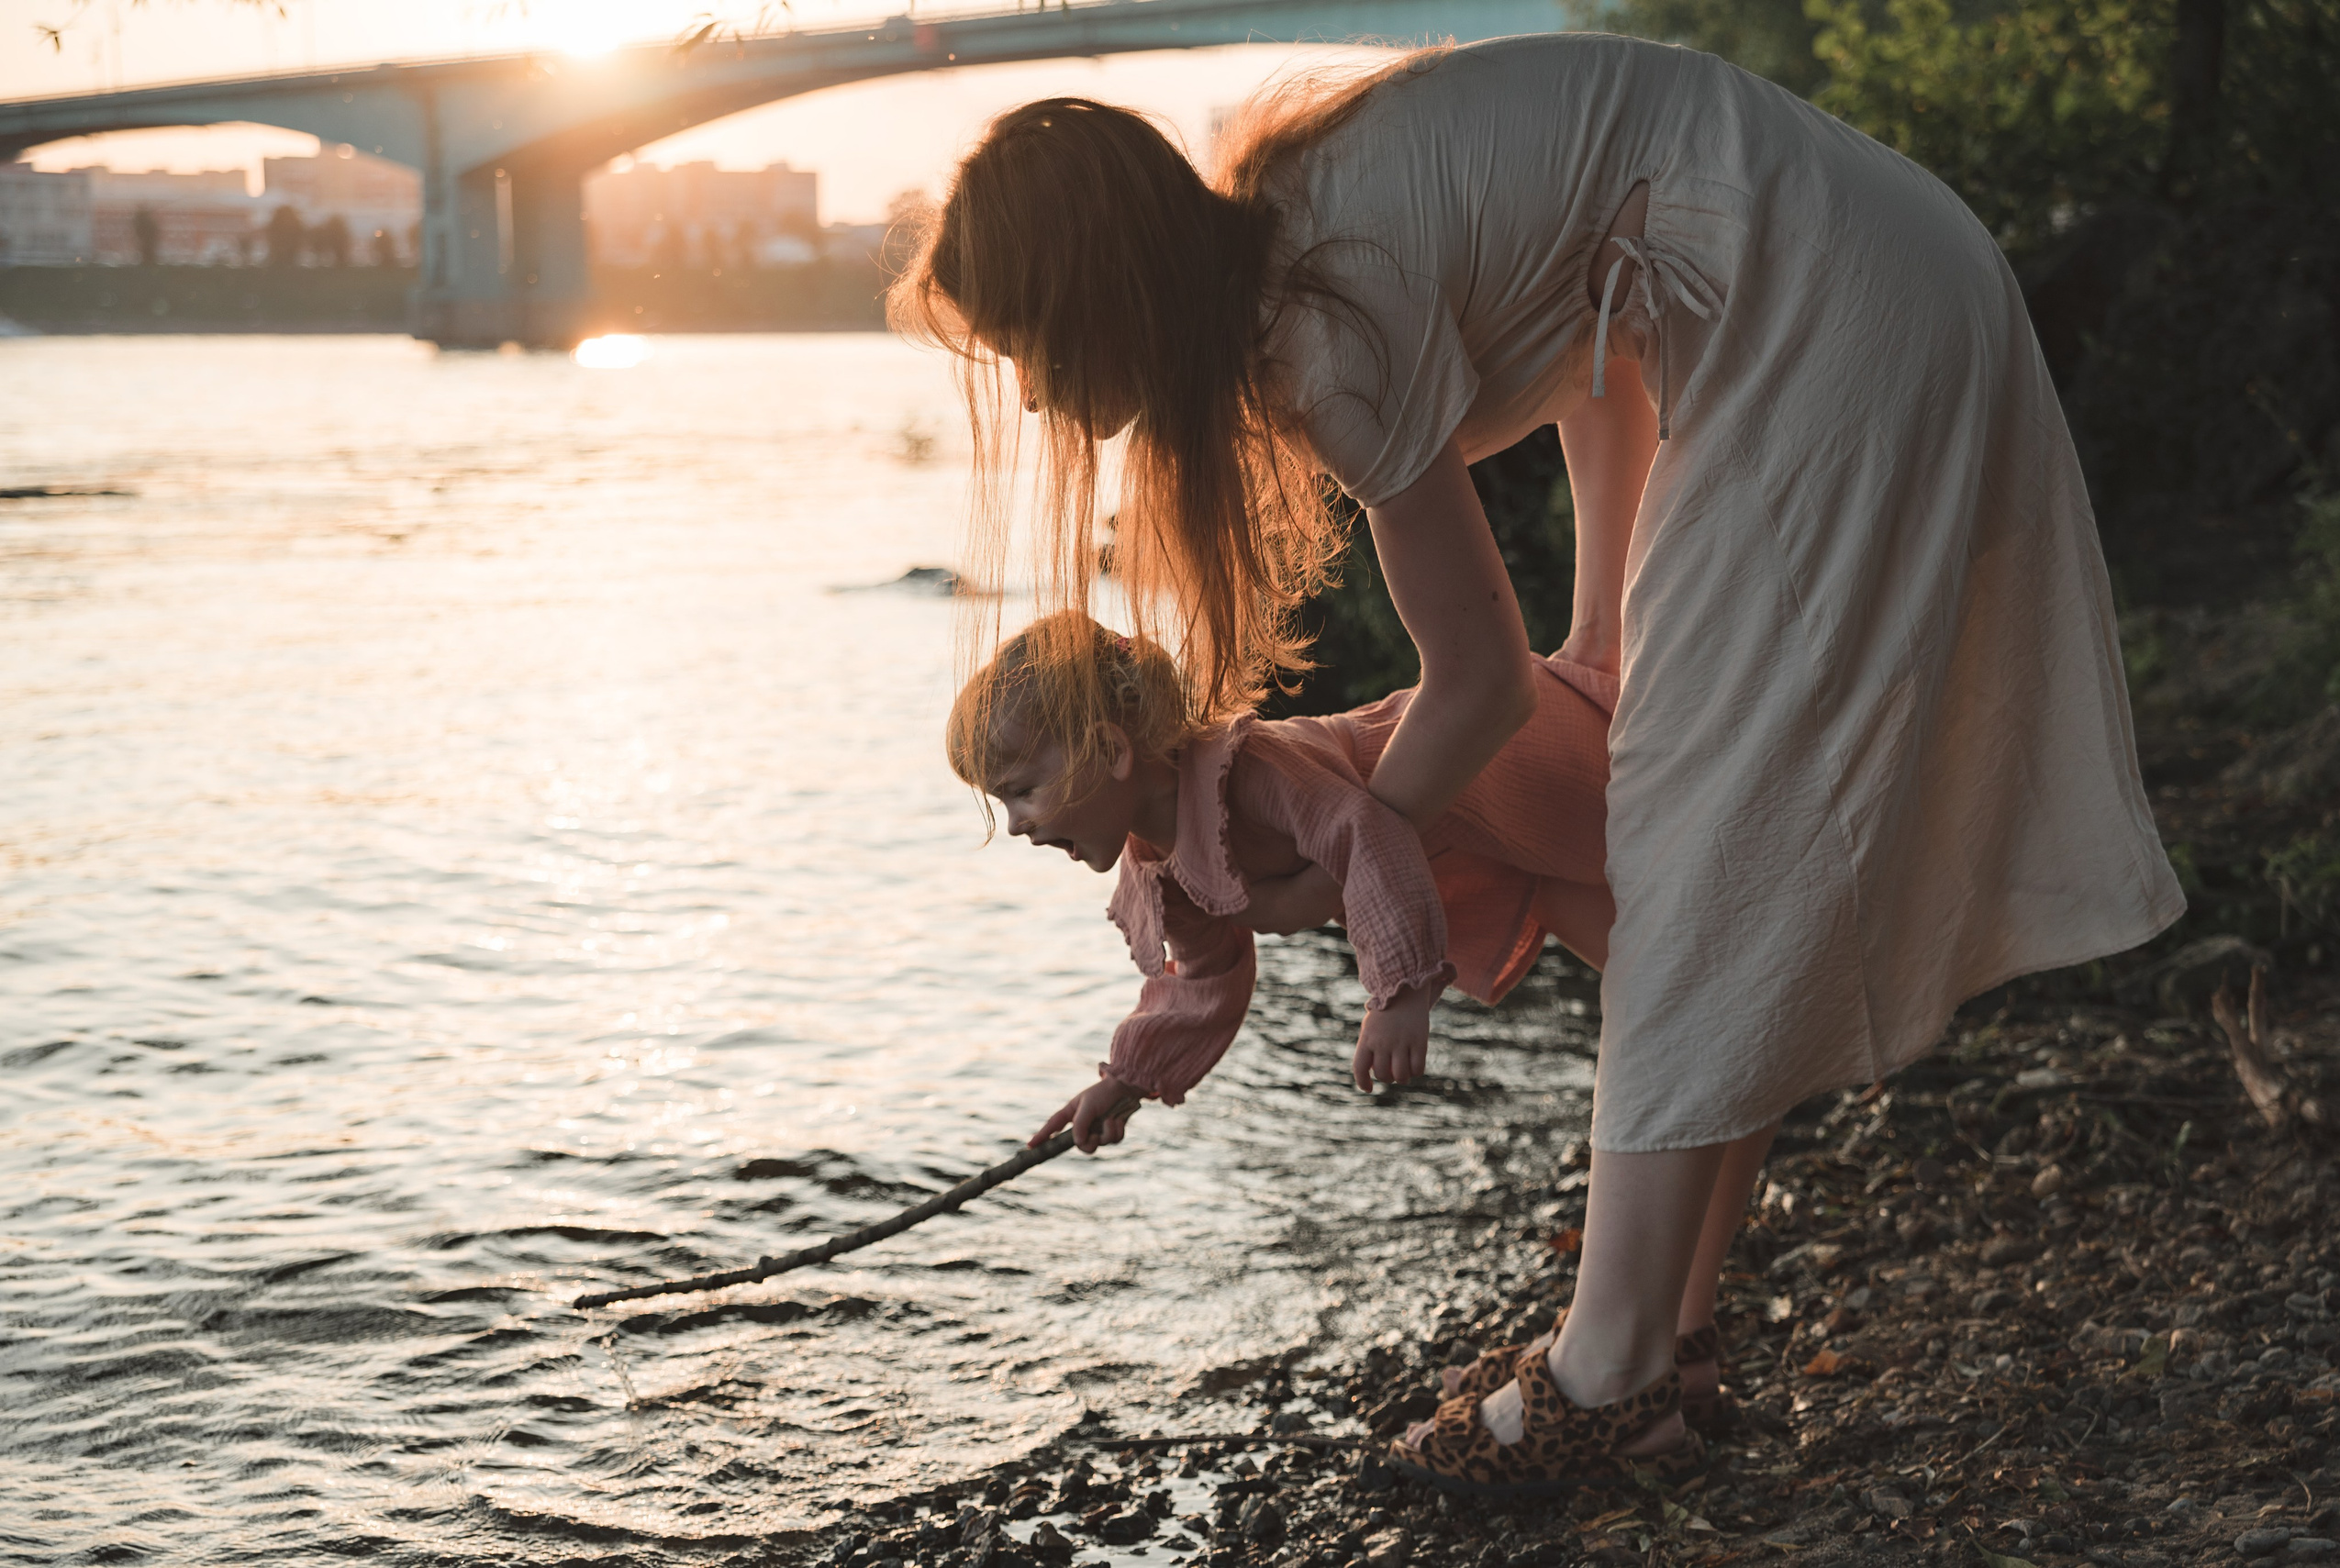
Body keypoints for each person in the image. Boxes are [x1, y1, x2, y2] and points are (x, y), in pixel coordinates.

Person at [894, 32, 2183, 1496]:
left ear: (1100, 295)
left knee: (1705, 852)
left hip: (1828, 314)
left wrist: (1350, 863)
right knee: (1702, 847)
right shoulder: (1302, 227)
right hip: (1870, 271)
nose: (1049, 408)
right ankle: (1669, 1352)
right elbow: (1602, 340)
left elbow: (1480, 685)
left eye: (1039, 356)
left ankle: (1606, 1366)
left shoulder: (1320, 333)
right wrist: (1607, 635)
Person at [948, 610, 1618, 1132]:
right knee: (1654, 970)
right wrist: (1127, 1080)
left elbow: (1366, 831)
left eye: (1021, 790)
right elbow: (1207, 976)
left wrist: (1399, 992)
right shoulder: (1159, 866)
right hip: (1499, 847)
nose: (1015, 824)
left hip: (1529, 760)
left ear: (1108, 749)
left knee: (1656, 874)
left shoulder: (1252, 768)